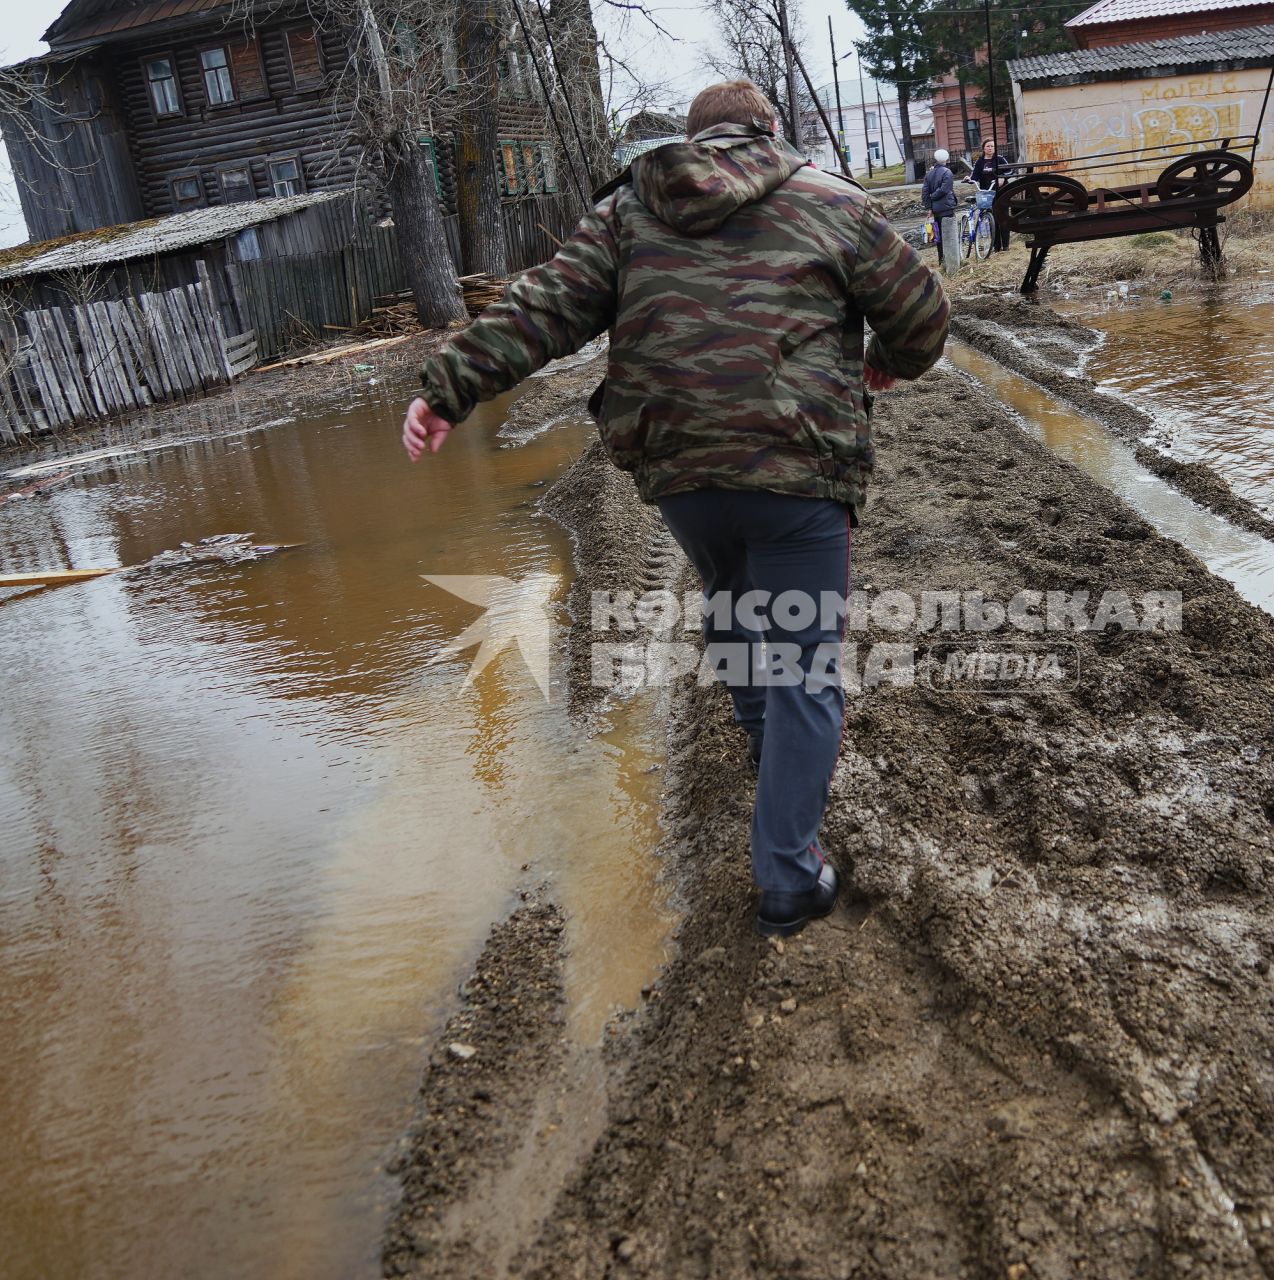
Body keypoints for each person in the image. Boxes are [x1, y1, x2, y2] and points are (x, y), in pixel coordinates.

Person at [401, 80, 949, 938]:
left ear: (695, 140)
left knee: (730, 598)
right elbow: (922, 314)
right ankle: (788, 877)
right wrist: (887, 359)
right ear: (768, 131)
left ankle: (768, 752)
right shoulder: (830, 198)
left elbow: (545, 306)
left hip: (682, 471)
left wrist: (448, 389)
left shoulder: (627, 212)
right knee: (806, 660)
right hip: (800, 468)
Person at [971, 137, 1012, 253]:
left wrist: (1003, 178)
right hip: (988, 193)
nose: (990, 148)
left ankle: (1006, 246)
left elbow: (1010, 170)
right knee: (992, 219)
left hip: (1002, 192)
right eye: (988, 146)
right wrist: (969, 179)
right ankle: (996, 246)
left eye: (992, 146)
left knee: (1003, 217)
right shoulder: (980, 162)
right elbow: (975, 176)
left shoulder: (999, 159)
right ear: (983, 148)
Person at [920, 148, 957, 257]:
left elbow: (924, 192)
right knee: (949, 234)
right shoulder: (947, 172)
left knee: (938, 235)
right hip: (947, 207)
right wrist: (933, 197)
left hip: (936, 209)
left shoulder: (929, 174)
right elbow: (945, 189)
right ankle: (951, 258)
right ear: (946, 158)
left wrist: (929, 207)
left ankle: (941, 258)